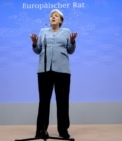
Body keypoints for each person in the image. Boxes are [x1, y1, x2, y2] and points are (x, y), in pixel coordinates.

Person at [30, 9, 78, 139]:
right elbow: (38, 50)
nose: (53, 17)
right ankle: (41, 130)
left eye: (56, 16)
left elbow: (71, 50)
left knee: (62, 101)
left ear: (61, 20)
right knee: (44, 101)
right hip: (44, 71)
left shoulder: (66, 32)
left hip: (62, 71)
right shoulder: (43, 32)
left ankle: (63, 130)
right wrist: (34, 44)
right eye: (51, 15)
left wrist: (73, 42)